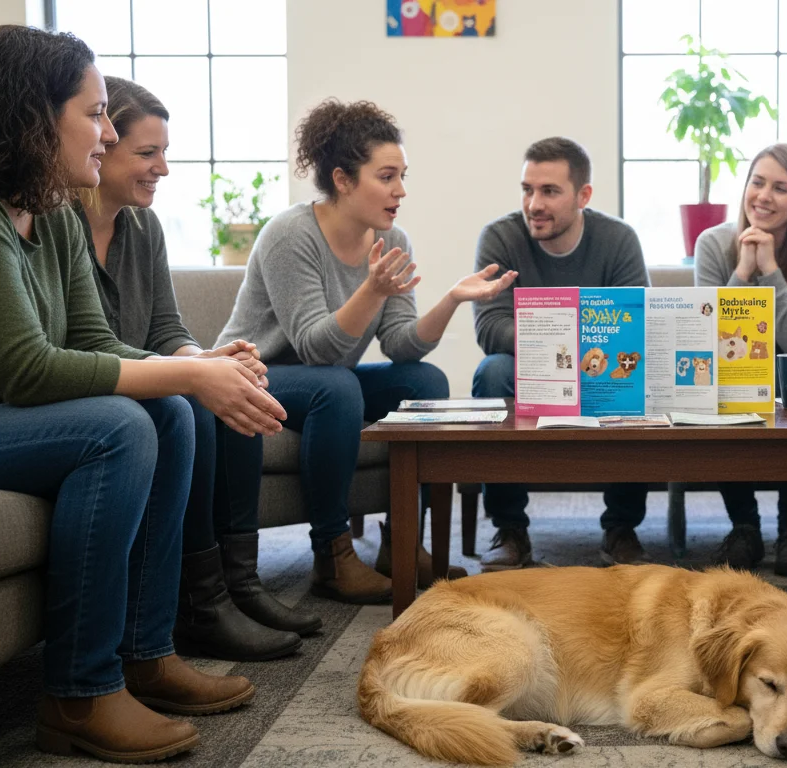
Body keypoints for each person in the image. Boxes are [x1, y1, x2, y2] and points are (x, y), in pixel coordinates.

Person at [0, 26, 285, 762]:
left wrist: (201, 369)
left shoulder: (49, 206)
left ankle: (145, 654)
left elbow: (94, 342)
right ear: (32, 113)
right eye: (95, 112)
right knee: (119, 425)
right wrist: (191, 373)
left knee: (167, 412)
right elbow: (26, 370)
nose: (108, 133)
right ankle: (79, 692)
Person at [217, 99, 515, 603]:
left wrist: (451, 299)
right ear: (343, 180)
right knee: (337, 386)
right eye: (387, 176)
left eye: (403, 176)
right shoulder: (290, 235)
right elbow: (315, 348)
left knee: (425, 381)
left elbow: (400, 343)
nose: (401, 190)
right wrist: (371, 290)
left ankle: (402, 542)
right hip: (257, 376)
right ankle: (333, 556)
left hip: (325, 381)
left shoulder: (392, 238)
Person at [73, 76, 310, 662]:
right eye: (147, 153)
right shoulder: (59, 226)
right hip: (99, 386)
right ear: (103, 146)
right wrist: (192, 375)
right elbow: (82, 344)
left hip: (144, 376)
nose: (162, 168)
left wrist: (205, 361)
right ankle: (203, 603)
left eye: (165, 152)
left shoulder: (142, 227)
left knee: (232, 387)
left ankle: (236, 584)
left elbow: (166, 329)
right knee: (194, 407)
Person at [470, 137, 651, 571]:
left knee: (635, 374)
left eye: (549, 191)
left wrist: (558, 337)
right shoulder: (500, 237)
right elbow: (490, 329)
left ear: (583, 195)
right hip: (534, 367)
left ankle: (621, 527)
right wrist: (569, 341)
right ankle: (510, 529)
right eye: (527, 189)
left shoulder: (618, 239)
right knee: (492, 372)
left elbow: (637, 330)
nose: (534, 204)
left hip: (600, 370)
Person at [693, 143, 787, 577]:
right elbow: (709, 336)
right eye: (757, 183)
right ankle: (744, 527)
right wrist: (742, 272)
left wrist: (770, 271)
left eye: (780, 188)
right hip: (734, 364)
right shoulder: (713, 243)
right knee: (721, 384)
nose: (763, 196)